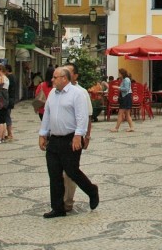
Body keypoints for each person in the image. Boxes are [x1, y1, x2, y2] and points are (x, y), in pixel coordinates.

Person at [38, 67, 99, 218]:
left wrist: (79, 135)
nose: (52, 79)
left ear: (64, 79)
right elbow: (47, 114)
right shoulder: (52, 93)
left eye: (55, 77)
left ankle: (92, 190)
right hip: (54, 139)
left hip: (70, 139)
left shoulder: (77, 94)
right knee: (54, 174)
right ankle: (58, 208)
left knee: (72, 171)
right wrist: (42, 133)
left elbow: (82, 116)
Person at [61, 63, 94, 213]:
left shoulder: (82, 92)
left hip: (75, 136)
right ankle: (59, 201)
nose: (64, 75)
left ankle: (67, 202)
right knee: (58, 171)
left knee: (70, 171)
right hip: (58, 137)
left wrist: (86, 136)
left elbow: (87, 116)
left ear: (75, 76)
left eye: (68, 72)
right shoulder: (57, 91)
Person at [111, 68, 135, 132]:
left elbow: (126, 89)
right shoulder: (124, 79)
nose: (118, 74)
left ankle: (116, 128)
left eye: (119, 73)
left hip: (126, 97)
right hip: (127, 97)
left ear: (122, 74)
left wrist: (117, 87)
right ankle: (131, 127)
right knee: (127, 114)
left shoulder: (126, 80)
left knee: (120, 113)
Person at [5, 64, 17, 140]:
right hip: (11, 98)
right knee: (7, 115)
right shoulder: (13, 77)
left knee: (7, 116)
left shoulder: (9, 78)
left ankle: (10, 133)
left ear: (7, 70)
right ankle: (9, 133)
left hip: (8, 99)